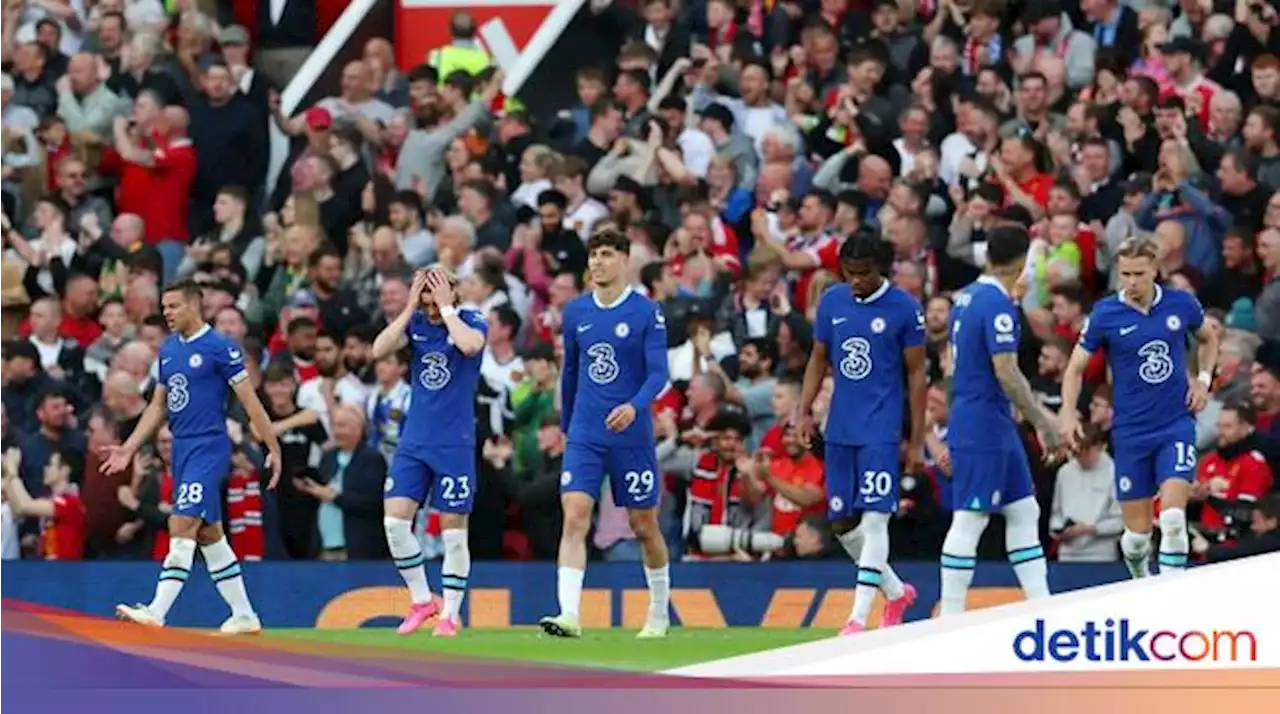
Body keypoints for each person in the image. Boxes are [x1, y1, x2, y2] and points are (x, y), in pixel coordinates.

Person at [102, 279, 282, 633]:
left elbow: (249, 401)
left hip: (209, 446)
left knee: (181, 524)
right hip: (182, 449)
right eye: (164, 307)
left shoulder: (220, 347)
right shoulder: (169, 351)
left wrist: (273, 446)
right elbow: (158, 406)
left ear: (193, 306)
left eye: (173, 306)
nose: (166, 313)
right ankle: (244, 614)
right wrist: (129, 447)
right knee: (209, 535)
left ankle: (157, 610)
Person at [1059, 237, 1218, 577]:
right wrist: (1068, 412)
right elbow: (1074, 368)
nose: (1131, 282)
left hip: (1175, 423)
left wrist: (1203, 380)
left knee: (1174, 518)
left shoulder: (1181, 304)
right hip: (1130, 431)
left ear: (1155, 270)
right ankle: (1141, 581)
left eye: (1138, 274)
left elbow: (1208, 339)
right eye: (1125, 273)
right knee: (1136, 539)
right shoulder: (1105, 314)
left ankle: (1171, 592)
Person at [540, 228, 671, 639]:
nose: (597, 261)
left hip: (632, 435)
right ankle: (569, 615)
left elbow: (659, 374)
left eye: (607, 254)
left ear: (625, 260)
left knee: (643, 525)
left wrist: (634, 406)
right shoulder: (576, 312)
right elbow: (572, 373)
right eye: (593, 254)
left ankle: (659, 612)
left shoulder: (647, 312)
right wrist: (566, 428)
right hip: (585, 433)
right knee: (575, 515)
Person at [794, 231, 926, 635]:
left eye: (864, 273)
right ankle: (895, 591)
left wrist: (916, 439)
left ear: (881, 268)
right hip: (841, 427)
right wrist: (803, 411)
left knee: (875, 521)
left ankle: (857, 617)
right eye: (849, 272)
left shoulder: (904, 308)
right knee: (841, 523)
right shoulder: (832, 301)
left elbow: (917, 376)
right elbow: (818, 359)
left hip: (881, 429)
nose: (856, 280)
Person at [941, 225, 1059, 615]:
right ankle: (949, 620)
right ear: (1022, 261)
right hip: (983, 424)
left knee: (1024, 510)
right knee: (971, 516)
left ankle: (1042, 608)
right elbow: (1006, 371)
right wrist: (1043, 421)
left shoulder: (968, 297)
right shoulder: (995, 305)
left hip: (989, 421)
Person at [370, 266, 487, 637]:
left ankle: (450, 614)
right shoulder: (415, 323)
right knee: (394, 522)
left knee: (454, 531)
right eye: (425, 294)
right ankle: (423, 600)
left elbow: (470, 346)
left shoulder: (470, 319)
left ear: (453, 291)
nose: (430, 303)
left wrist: (447, 308)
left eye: (436, 292)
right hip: (415, 440)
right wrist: (407, 308)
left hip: (455, 441)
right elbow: (378, 350)